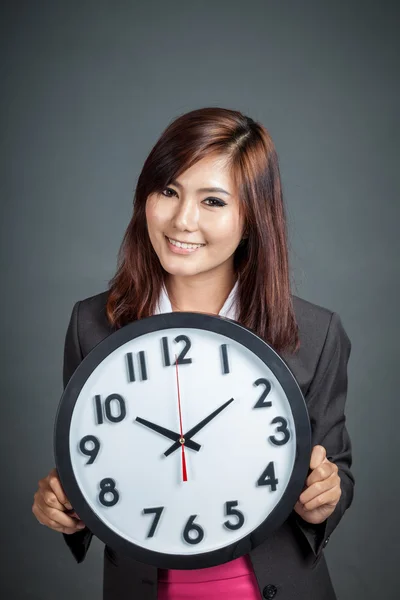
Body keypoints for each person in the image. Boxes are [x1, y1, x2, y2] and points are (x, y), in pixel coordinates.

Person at [32, 107, 354, 600]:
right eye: (168, 191)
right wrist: (67, 509)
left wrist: (325, 496)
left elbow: (338, 470)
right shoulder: (92, 326)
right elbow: (97, 466)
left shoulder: (314, 332)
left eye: (213, 201)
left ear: (251, 219)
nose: (184, 220)